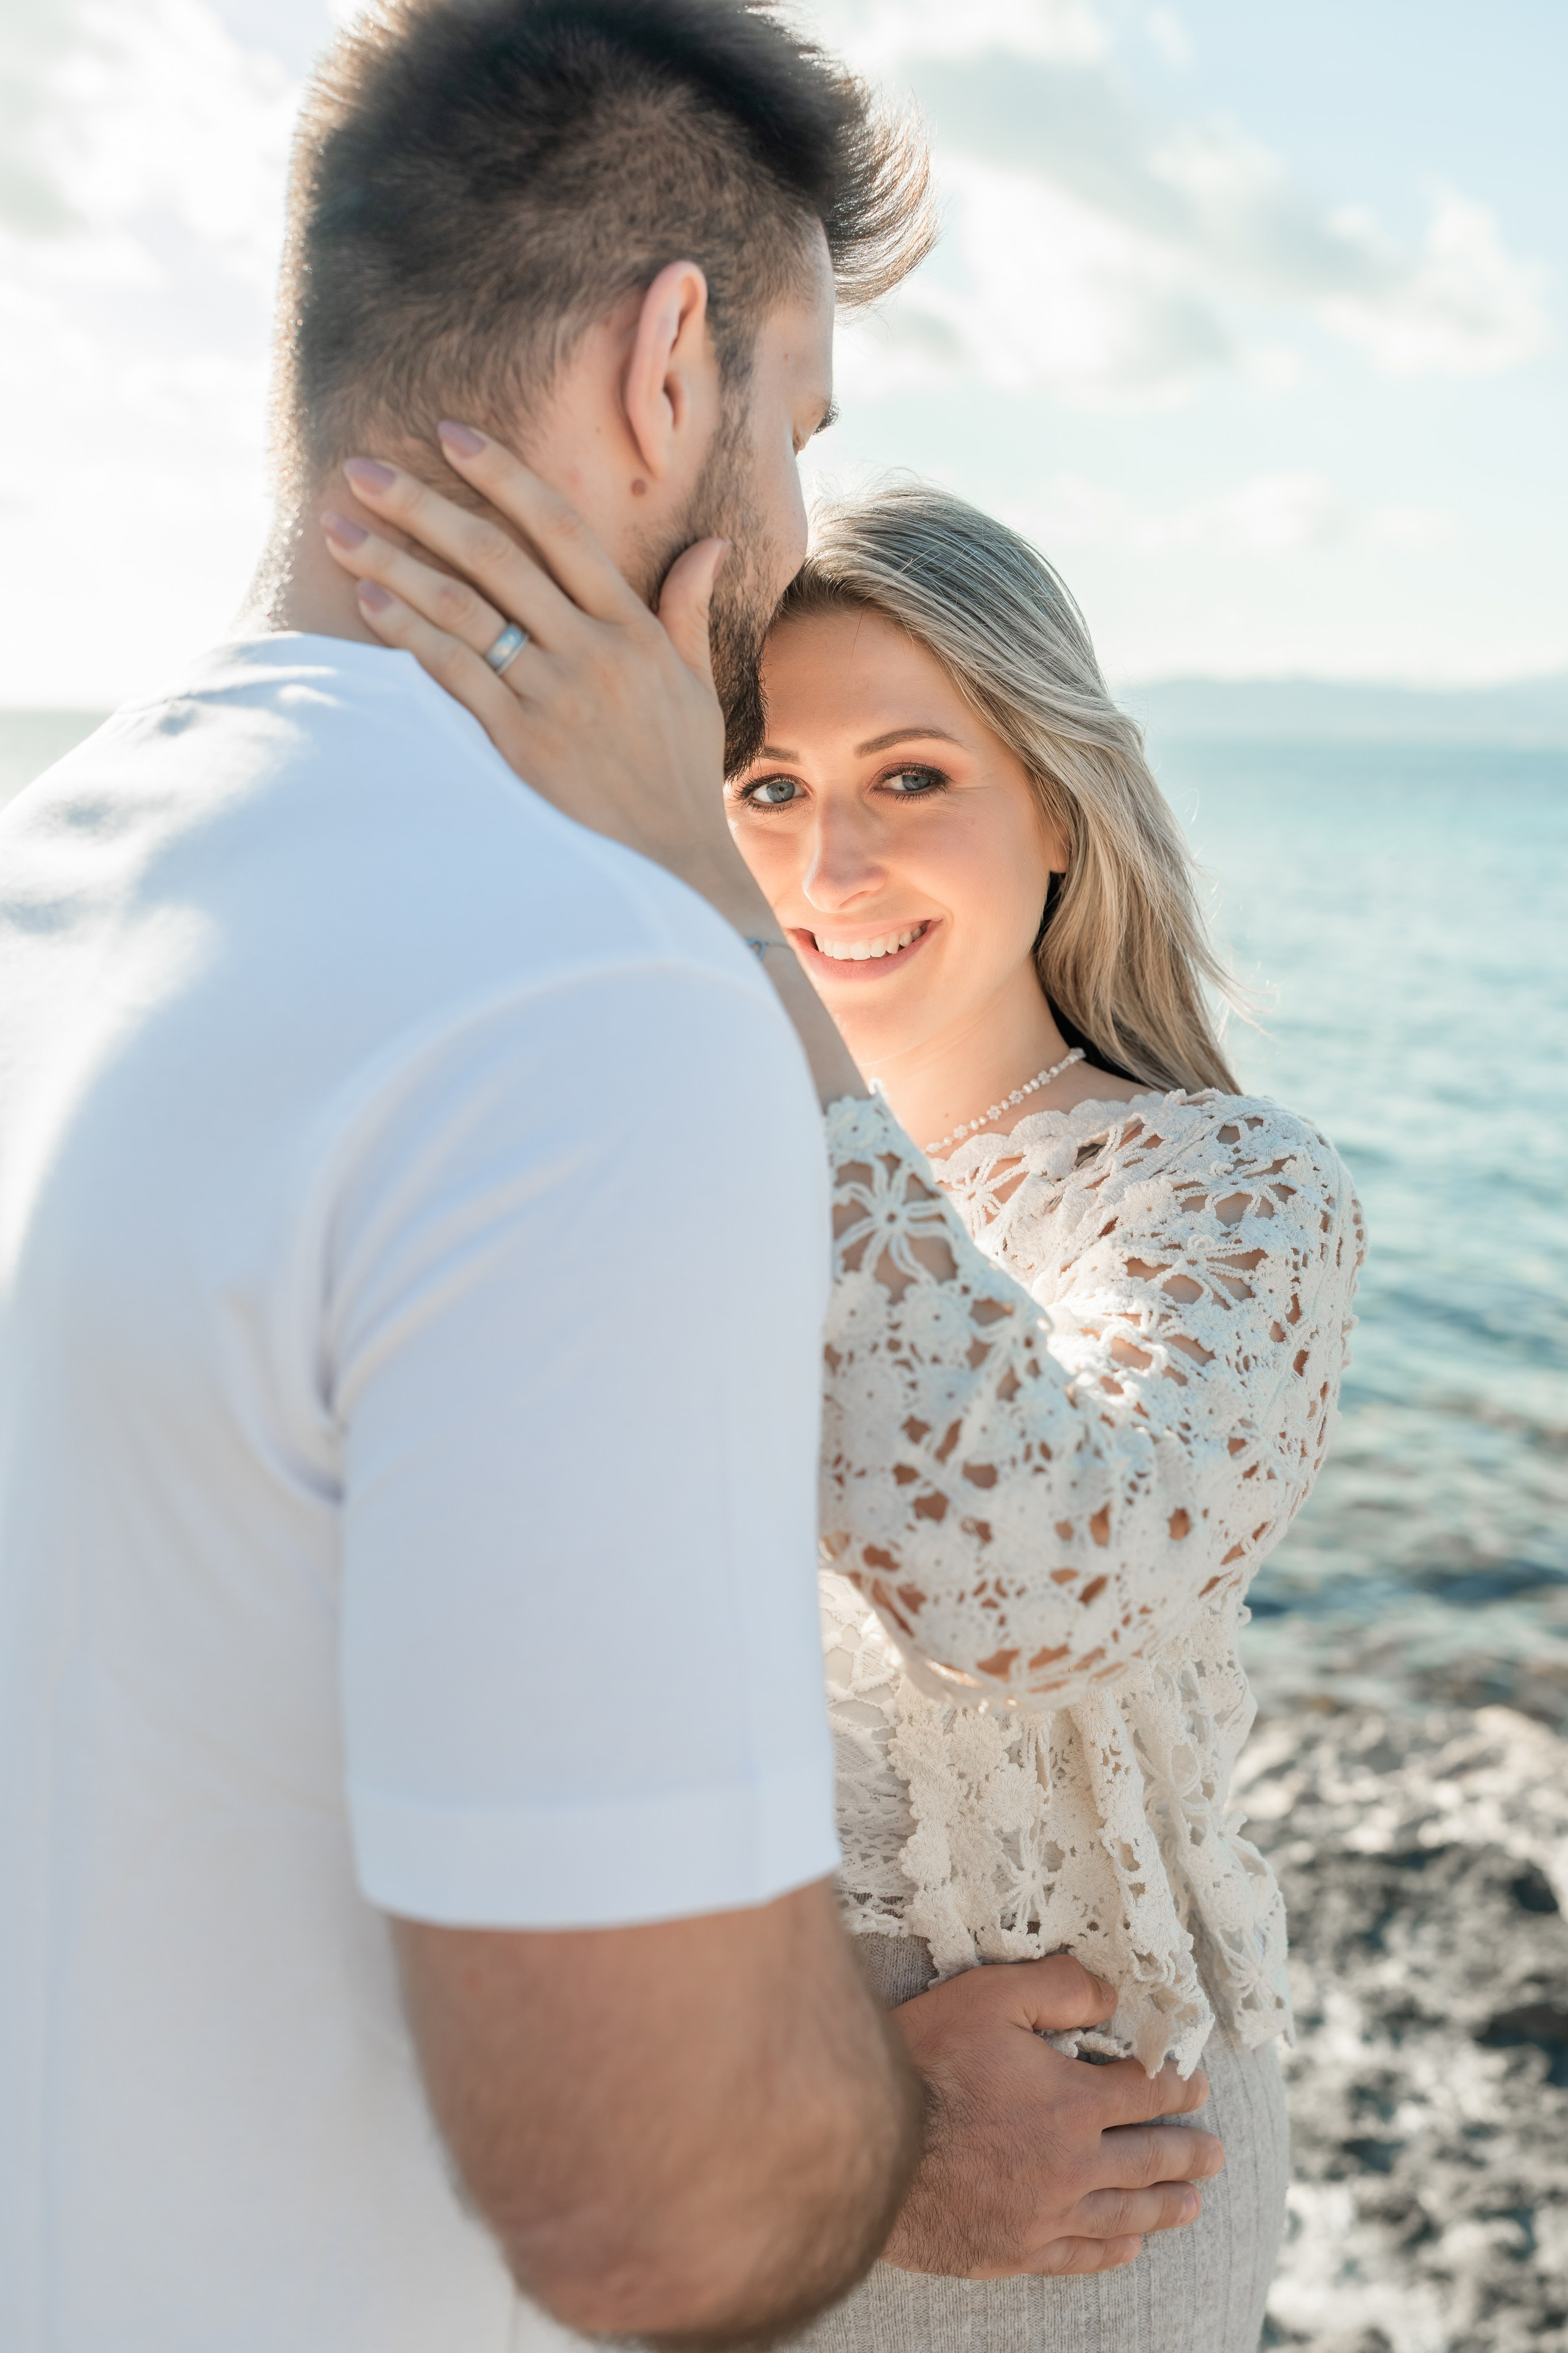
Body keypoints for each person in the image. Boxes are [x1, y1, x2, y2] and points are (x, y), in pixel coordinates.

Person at [0, 5, 1230, 2349]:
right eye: (796, 419)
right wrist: (893, 2132)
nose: (781, 509)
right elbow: (665, 2213)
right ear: (675, 367)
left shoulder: (48, 881)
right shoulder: (592, 1002)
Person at [318, 456, 1366, 2352]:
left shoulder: (1235, 1195)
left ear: (1055, 807)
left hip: (1081, 2214)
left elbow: (1028, 1581)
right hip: (711, 2157)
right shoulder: (630, 1171)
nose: (823, 871)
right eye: (762, 795)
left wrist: (722, 954)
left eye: (910, 777)